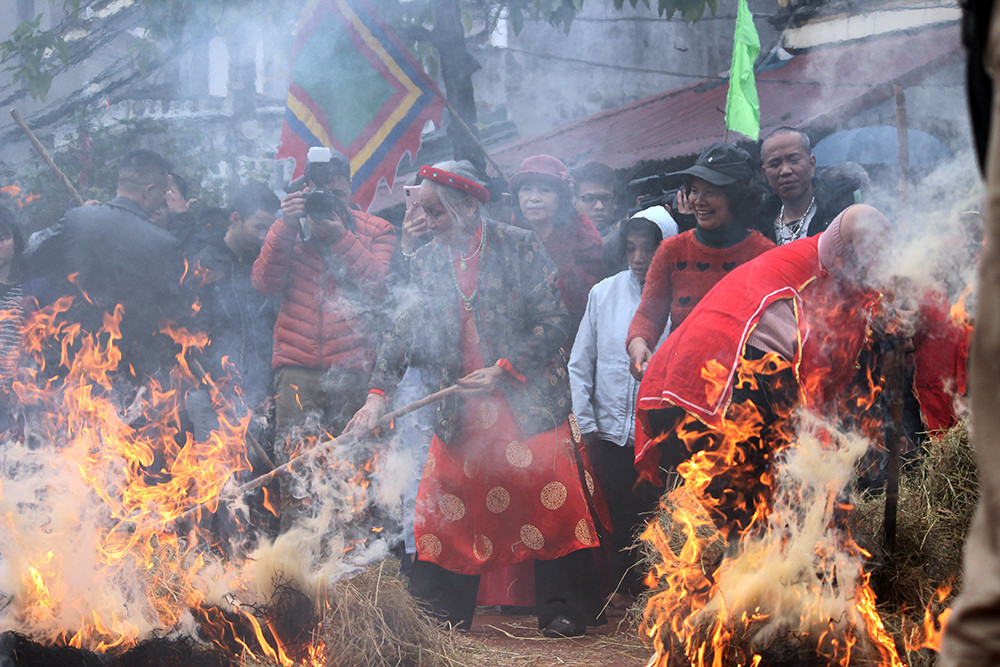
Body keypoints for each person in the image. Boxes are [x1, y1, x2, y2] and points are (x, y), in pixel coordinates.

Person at [345, 160, 606, 637]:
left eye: (436, 213)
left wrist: (504, 368)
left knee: (555, 500)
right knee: (445, 508)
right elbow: (401, 331)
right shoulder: (425, 260)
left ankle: (565, 607)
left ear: (468, 207)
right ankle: (439, 617)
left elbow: (554, 321)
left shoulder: (519, 245)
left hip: (527, 401)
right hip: (460, 410)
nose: (427, 222)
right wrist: (377, 397)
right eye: (423, 211)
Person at [252, 158, 395, 532]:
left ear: (350, 189)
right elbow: (264, 283)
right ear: (302, 193)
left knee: (355, 469)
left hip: (353, 369)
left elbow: (379, 287)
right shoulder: (289, 228)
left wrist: (338, 237)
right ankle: (298, 564)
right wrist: (285, 224)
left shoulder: (377, 230)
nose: (327, 202)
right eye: (319, 194)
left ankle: (358, 565)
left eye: (336, 193)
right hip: (297, 368)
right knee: (298, 474)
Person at [568, 215, 665, 609]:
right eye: (631, 248)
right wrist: (585, 422)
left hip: (658, 430)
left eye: (649, 247)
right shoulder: (603, 293)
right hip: (609, 429)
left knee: (657, 510)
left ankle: (658, 595)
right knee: (618, 511)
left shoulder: (680, 295)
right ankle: (623, 592)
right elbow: (580, 363)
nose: (640, 257)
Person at [26, 148, 188, 381]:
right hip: (126, 368)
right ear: (149, 191)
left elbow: (31, 254)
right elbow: (173, 311)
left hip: (67, 362)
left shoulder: (79, 219)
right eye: (163, 194)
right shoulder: (164, 244)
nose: (163, 201)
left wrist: (78, 219)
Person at [626, 142, 775, 379]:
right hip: (684, 380)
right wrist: (638, 344)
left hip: (746, 385)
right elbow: (648, 315)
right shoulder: (672, 251)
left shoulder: (764, 254)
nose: (698, 201)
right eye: (694, 190)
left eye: (711, 192)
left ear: (736, 198)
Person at [509, 154, 604, 337]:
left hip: (572, 340)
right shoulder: (509, 236)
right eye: (526, 189)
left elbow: (589, 300)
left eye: (544, 190)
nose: (533, 198)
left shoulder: (583, 236)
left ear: (560, 198)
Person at [754, 127, 859, 245]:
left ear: (812, 164)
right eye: (775, 164)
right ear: (765, 173)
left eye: (794, 160)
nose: (785, 171)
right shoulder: (758, 228)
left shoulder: (843, 209)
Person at [572, 161, 618, 235]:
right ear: (574, 202)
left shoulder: (626, 242)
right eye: (589, 199)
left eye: (606, 198)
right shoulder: (560, 242)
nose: (599, 206)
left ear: (615, 202)